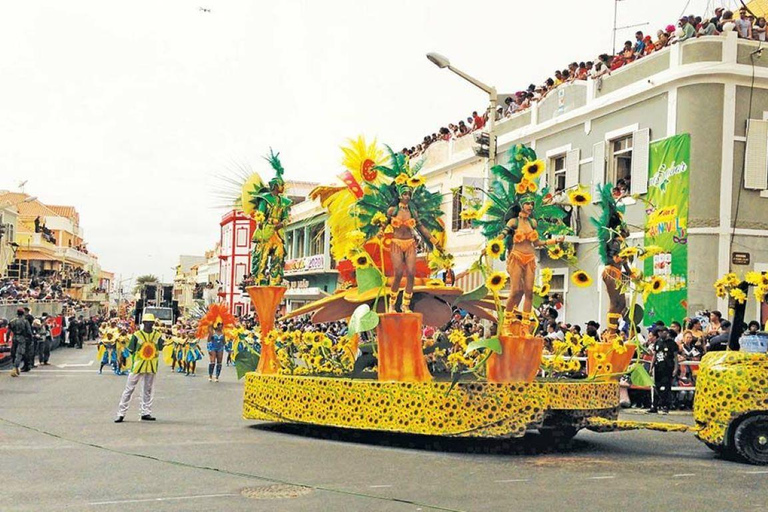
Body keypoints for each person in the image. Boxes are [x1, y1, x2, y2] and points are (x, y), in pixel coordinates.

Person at [114, 314, 165, 422]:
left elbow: (160, 347)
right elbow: (131, 349)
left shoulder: (157, 335)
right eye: (147, 322)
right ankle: (121, 413)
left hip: (151, 365)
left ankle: (146, 412)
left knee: (148, 390)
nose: (149, 324)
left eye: (151, 322)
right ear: (144, 323)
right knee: (129, 389)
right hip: (137, 366)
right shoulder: (137, 335)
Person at [649, 327, 679, 414]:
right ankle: (654, 406)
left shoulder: (672, 343)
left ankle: (665, 405)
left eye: (662, 332)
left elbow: (675, 357)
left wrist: (675, 368)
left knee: (667, 387)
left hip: (668, 368)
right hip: (658, 367)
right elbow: (655, 355)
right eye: (659, 332)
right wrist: (651, 367)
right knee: (656, 386)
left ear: (666, 332)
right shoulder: (657, 342)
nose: (660, 334)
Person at [7, 308, 32, 377]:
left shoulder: (12, 321)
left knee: (13, 352)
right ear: (23, 313)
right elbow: (29, 332)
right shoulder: (25, 321)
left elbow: (8, 332)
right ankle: (15, 367)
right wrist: (30, 339)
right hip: (22, 338)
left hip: (14, 337)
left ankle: (15, 366)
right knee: (19, 353)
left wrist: (7, 340)